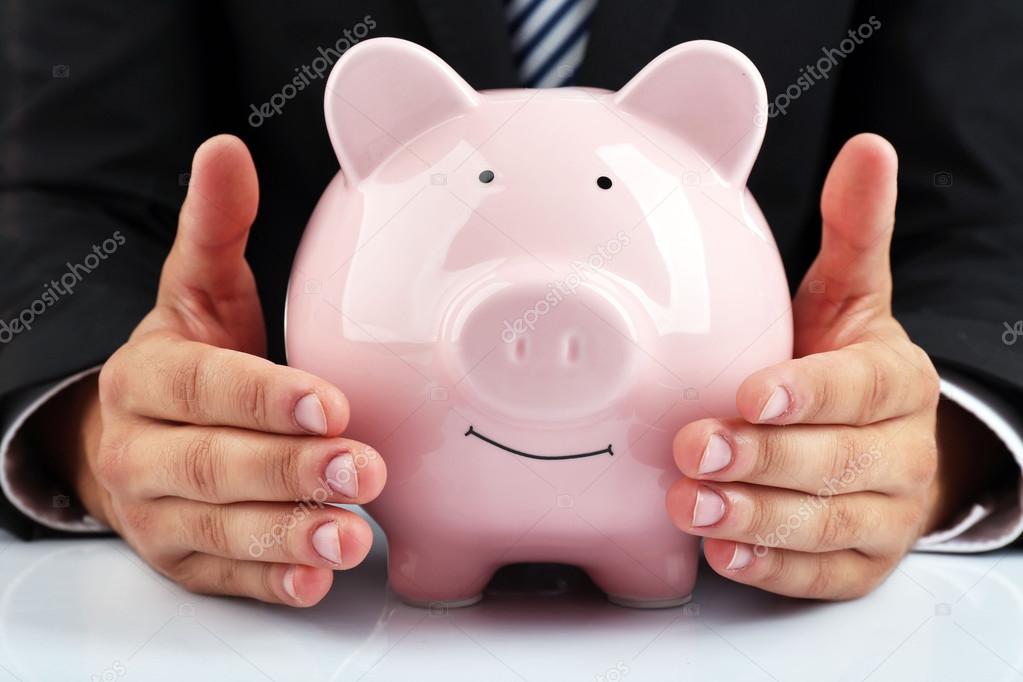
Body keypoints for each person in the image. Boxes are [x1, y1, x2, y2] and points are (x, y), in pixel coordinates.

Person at [1, 0, 1021, 607]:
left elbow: (988, 207)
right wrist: (108, 431)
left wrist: (927, 445)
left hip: (731, 518)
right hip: (331, 524)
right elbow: (54, 183)